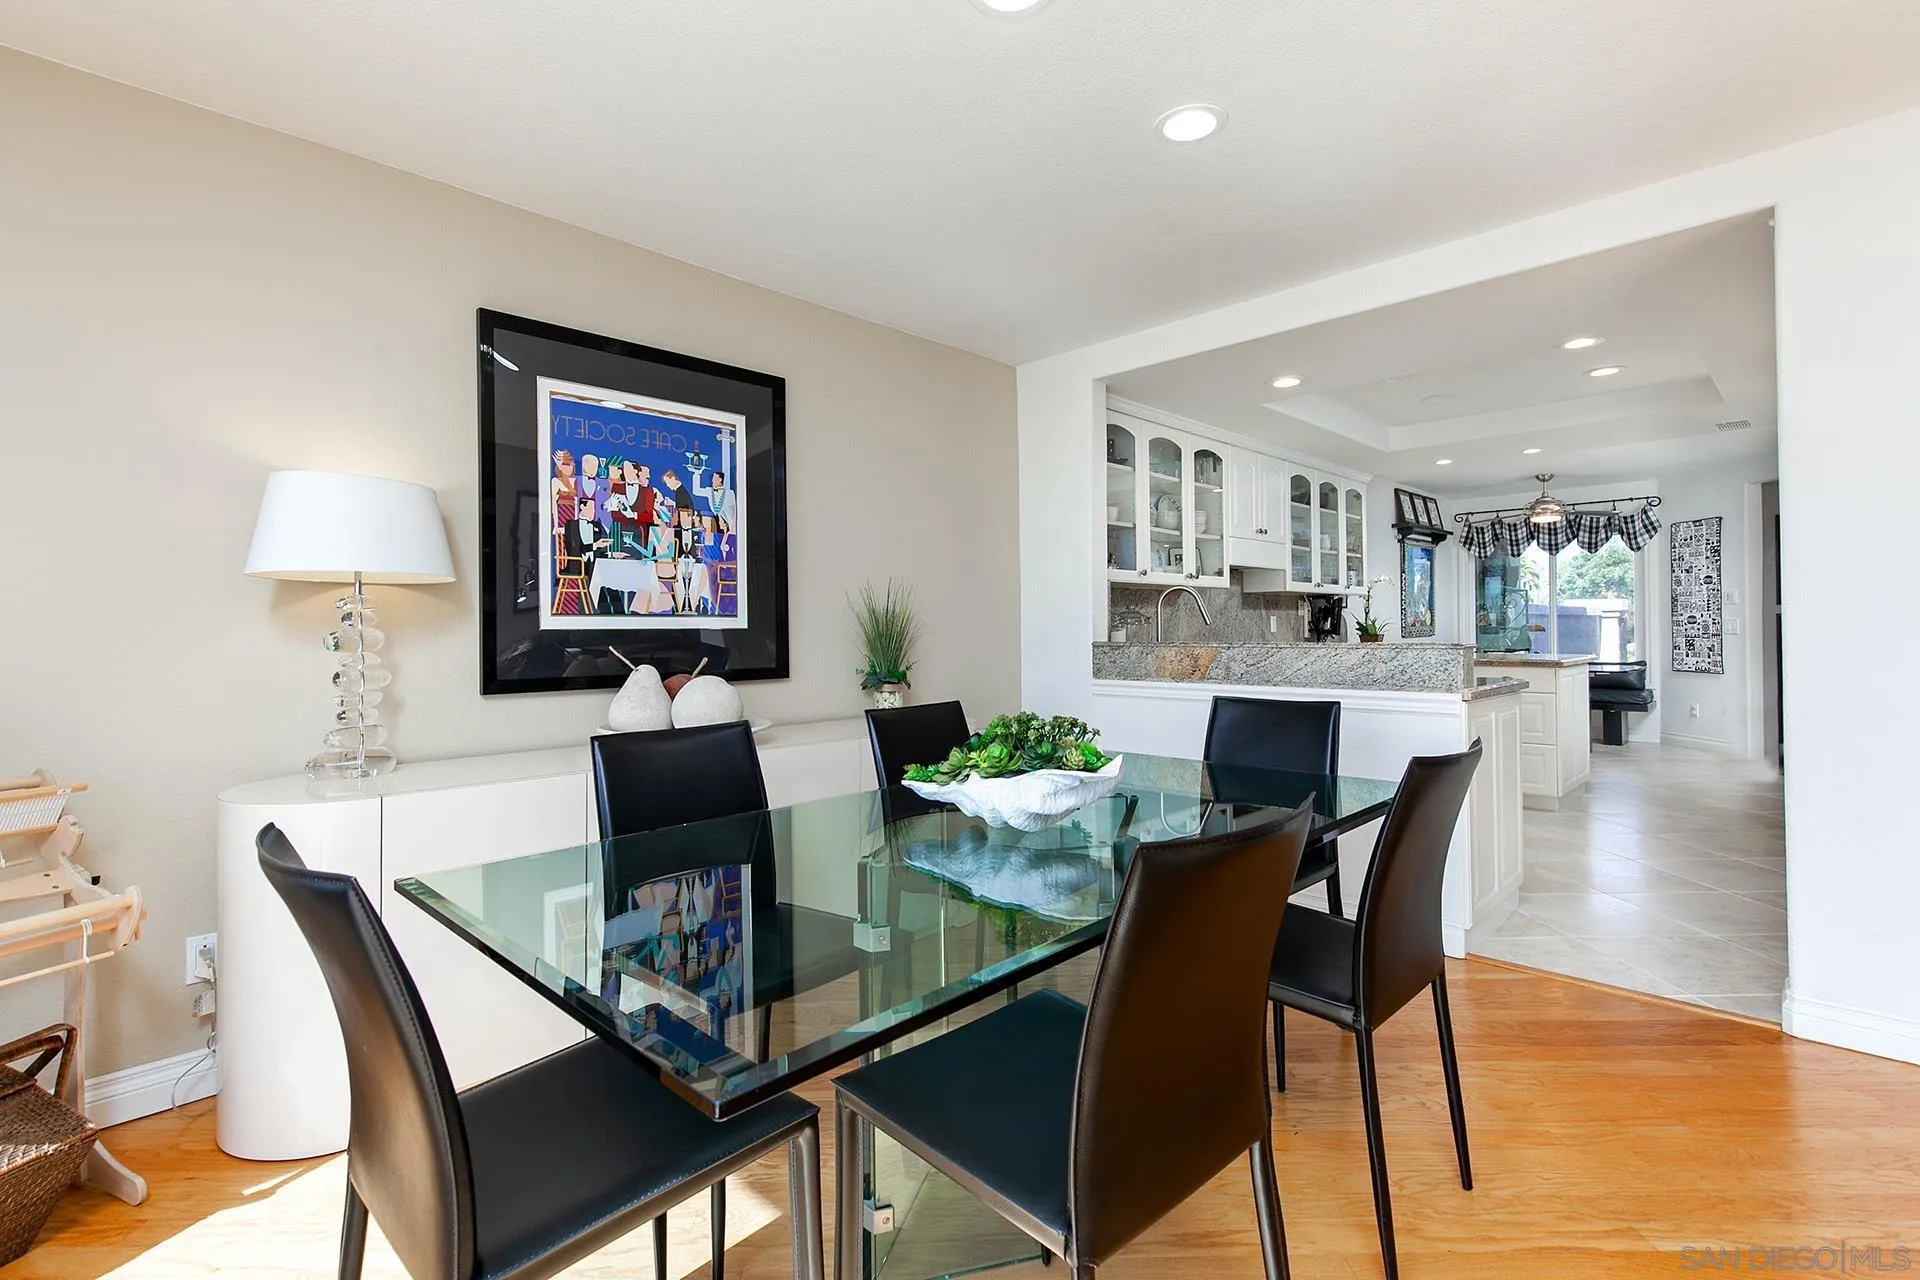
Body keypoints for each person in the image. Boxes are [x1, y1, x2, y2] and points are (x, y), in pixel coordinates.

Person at [562, 496, 615, 613]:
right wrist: (595, 545)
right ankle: (591, 611)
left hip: (595, 564)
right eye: (591, 508)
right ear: (582, 507)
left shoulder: (597, 526)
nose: (594, 511)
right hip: (577, 563)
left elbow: (600, 551)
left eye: (594, 509)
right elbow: (572, 549)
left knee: (610, 579)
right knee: (596, 578)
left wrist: (612, 554)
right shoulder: (571, 525)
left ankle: (609, 613)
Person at [551, 450, 578, 526]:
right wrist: (555, 524)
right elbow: (554, 503)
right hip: (561, 515)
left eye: (570, 465)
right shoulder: (556, 481)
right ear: (560, 467)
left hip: (573, 516)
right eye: (565, 465)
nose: (568, 468)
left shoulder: (575, 481)